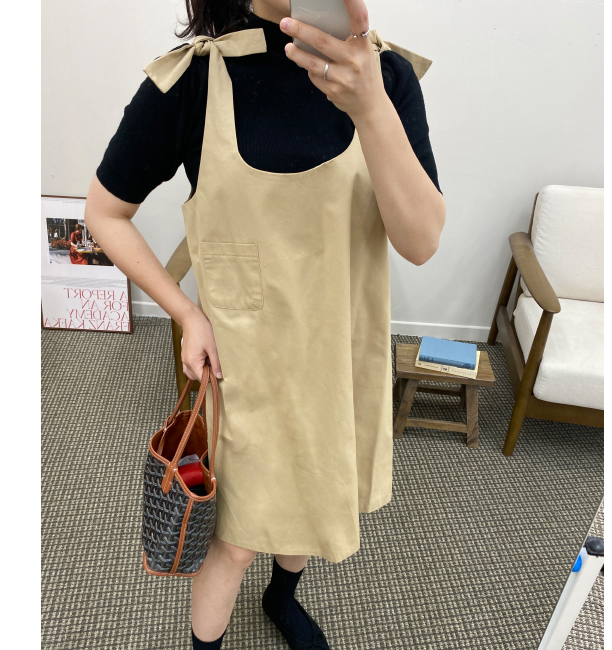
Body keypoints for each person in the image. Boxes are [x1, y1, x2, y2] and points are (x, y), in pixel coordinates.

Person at [84, 1, 446, 648]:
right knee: (234, 541)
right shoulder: (196, 80)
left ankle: (283, 596)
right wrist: (185, 312)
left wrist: (371, 107)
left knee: (311, 495)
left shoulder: (383, 76)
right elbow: (105, 213)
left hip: (339, 355)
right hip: (240, 367)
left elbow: (420, 243)